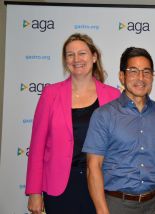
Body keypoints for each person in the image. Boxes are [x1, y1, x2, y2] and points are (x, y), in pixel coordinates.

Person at [25, 33, 120, 214]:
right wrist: (34, 192)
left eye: (82, 53)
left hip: (102, 184)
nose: (76, 59)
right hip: (59, 186)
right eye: (70, 54)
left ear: (94, 57)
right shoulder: (50, 94)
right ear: (66, 60)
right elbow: (37, 146)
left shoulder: (113, 96)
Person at [82, 47, 155, 214]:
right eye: (133, 71)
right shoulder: (104, 115)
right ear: (122, 76)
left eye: (146, 72)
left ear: (152, 77)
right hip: (117, 205)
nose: (141, 78)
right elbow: (93, 166)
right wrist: (102, 210)